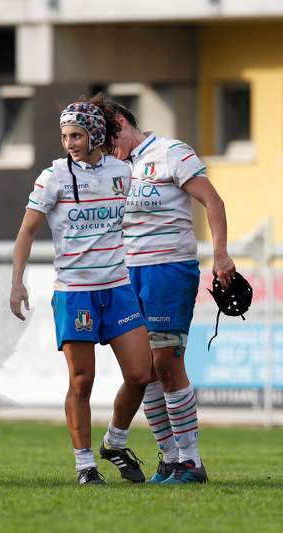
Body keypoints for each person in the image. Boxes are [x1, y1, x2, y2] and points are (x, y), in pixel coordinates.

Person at [9, 98, 152, 485]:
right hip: (75, 292)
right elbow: (26, 231)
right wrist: (16, 280)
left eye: (76, 135)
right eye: (64, 136)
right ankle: (85, 466)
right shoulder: (52, 176)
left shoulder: (123, 172)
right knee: (81, 383)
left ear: (96, 134)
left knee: (141, 374)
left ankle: (114, 443)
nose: (69, 143)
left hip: (118, 288)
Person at [99, 96, 236, 484]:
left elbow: (213, 200)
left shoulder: (172, 152)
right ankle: (171, 459)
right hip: (128, 275)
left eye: (109, 143)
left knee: (166, 364)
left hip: (168, 269)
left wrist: (221, 254)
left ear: (122, 125)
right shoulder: (112, 168)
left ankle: (191, 462)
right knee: (144, 373)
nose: (108, 153)